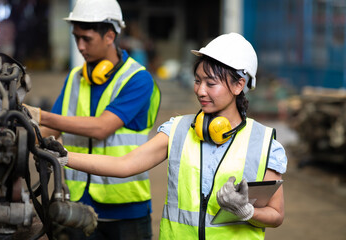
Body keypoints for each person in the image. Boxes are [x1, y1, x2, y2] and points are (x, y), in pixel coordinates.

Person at [44, 32, 287, 239]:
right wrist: (64, 156)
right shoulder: (179, 130)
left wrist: (246, 211)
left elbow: (276, 215)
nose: (200, 91)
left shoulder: (263, 143)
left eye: (210, 84)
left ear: (238, 85)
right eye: (197, 81)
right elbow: (124, 165)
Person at [24, 0, 161, 239]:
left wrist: (39, 114)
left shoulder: (137, 79)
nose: (79, 46)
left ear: (110, 36)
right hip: (79, 208)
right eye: (76, 37)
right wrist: (20, 132)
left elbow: (101, 128)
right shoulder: (76, 78)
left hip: (126, 211)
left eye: (86, 38)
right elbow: (49, 130)